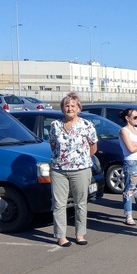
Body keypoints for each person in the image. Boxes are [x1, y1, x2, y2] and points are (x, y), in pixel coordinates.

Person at [49, 92, 98, 247]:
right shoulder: (55, 125)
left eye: (73, 106)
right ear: (62, 108)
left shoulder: (87, 125)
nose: (69, 108)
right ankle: (61, 236)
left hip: (81, 169)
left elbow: (93, 147)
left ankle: (80, 234)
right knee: (59, 204)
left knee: (80, 203)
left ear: (78, 108)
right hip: (58, 169)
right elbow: (53, 145)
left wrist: (80, 159)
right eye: (66, 105)